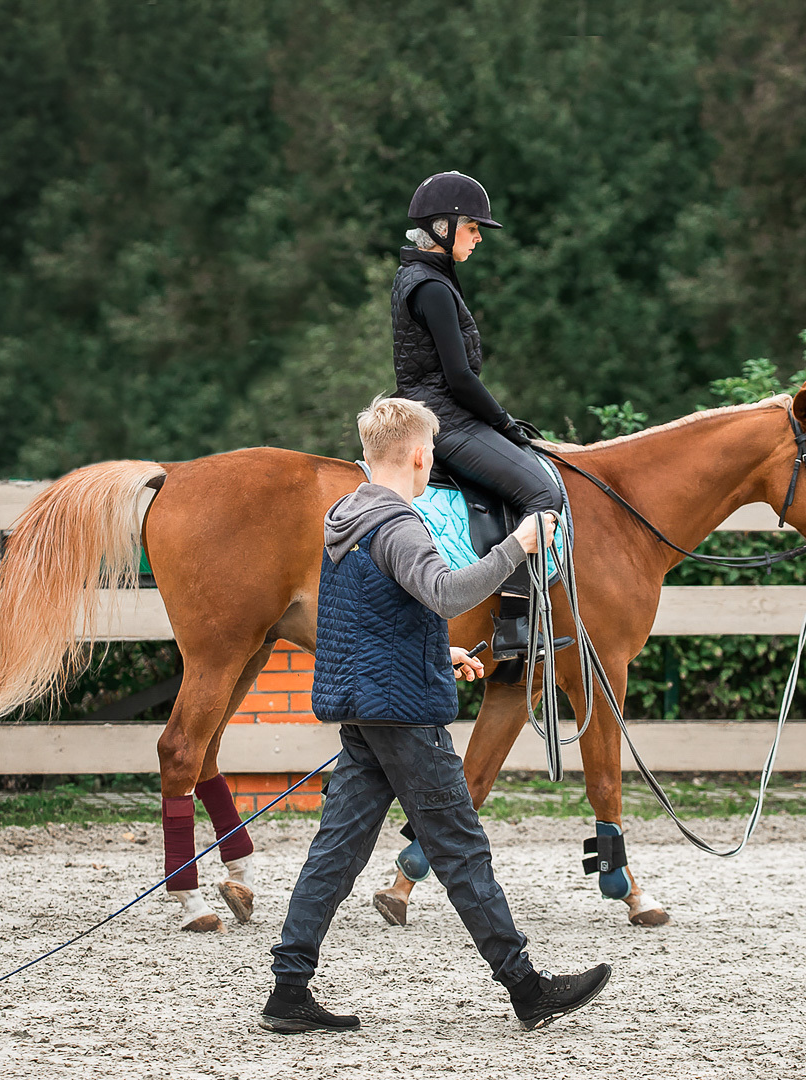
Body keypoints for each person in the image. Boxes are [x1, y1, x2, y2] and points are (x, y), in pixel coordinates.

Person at [260, 396, 611, 1034]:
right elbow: (446, 592)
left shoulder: (346, 513)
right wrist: (518, 545)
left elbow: (368, 613)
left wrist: (434, 649)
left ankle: (289, 991)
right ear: (422, 456)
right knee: (461, 848)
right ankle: (526, 989)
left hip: (364, 709)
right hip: (403, 714)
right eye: (433, 458)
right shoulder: (400, 522)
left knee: (337, 848)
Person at [391, 170, 568, 662]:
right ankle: (514, 623)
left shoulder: (425, 278)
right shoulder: (431, 287)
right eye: (472, 229)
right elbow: (461, 378)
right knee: (542, 490)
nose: (477, 239)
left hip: (441, 412)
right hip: (446, 419)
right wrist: (506, 424)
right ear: (444, 228)